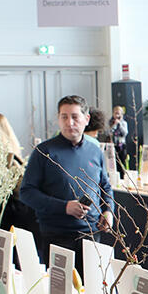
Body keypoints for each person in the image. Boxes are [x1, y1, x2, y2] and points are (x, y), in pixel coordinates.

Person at [20, 96, 114, 272]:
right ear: (58, 119)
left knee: (94, 293)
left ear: (86, 119)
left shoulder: (95, 150)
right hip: (57, 235)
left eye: (75, 117)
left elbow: (105, 186)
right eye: (64, 117)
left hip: (92, 235)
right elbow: (26, 192)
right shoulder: (44, 152)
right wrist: (64, 207)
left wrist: (108, 210)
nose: (69, 122)